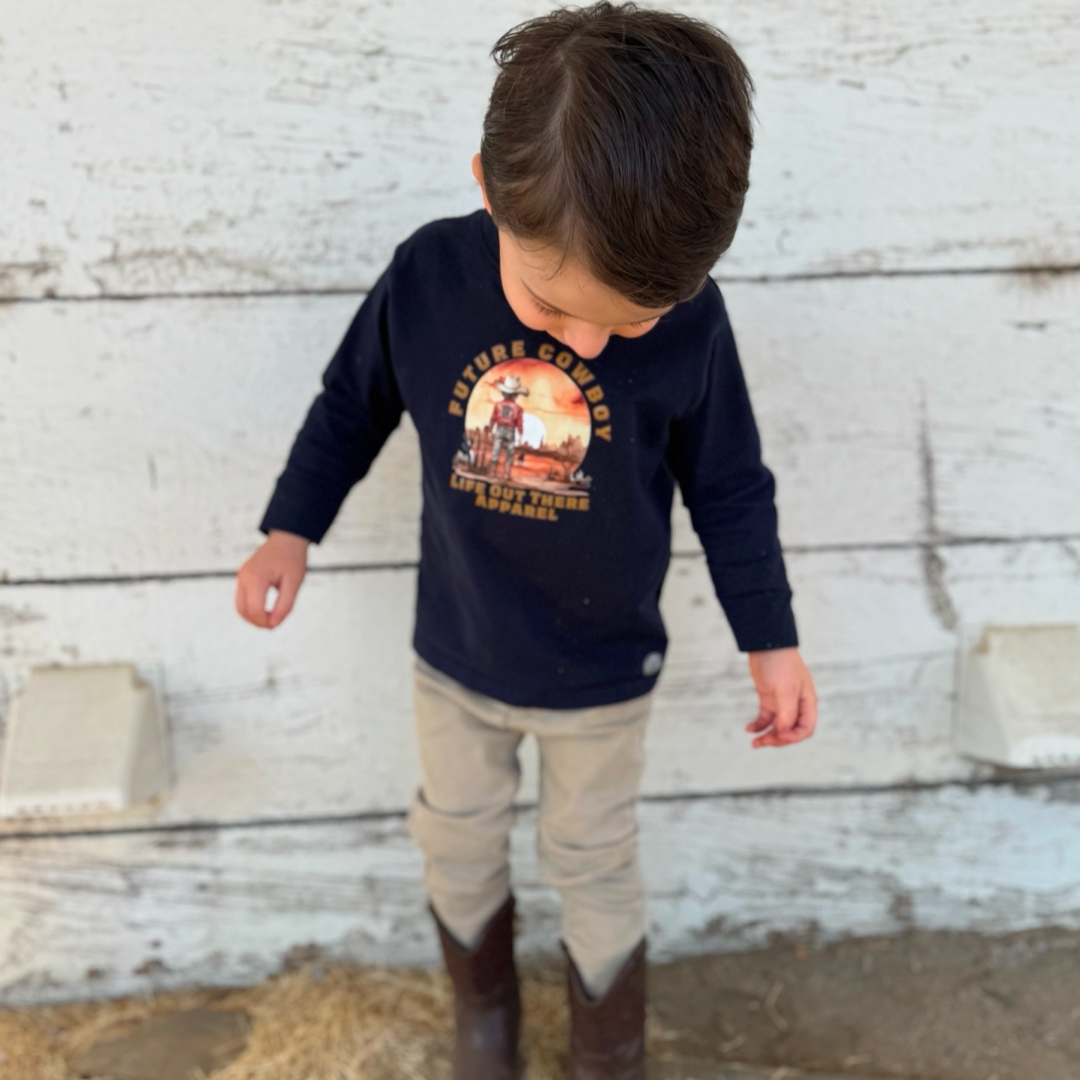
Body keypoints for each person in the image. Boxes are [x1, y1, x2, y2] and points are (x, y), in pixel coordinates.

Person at [235, 3, 818, 1077]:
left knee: (593, 858)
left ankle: (608, 1054)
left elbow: (730, 486)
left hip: (603, 673)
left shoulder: (695, 321)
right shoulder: (428, 279)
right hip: (458, 654)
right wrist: (289, 528)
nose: (591, 341)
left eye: (631, 321)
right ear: (489, 191)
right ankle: (486, 1026)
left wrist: (770, 637)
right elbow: (347, 409)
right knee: (454, 839)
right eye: (555, 307)